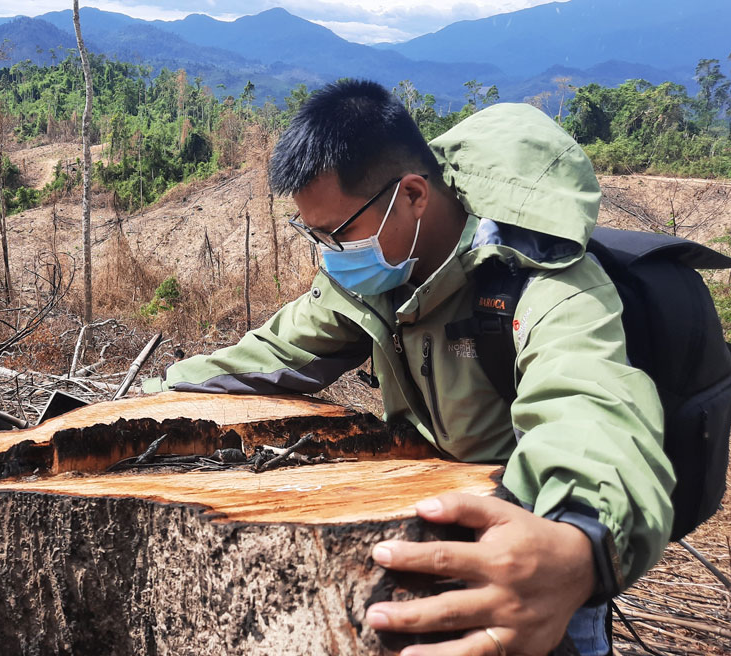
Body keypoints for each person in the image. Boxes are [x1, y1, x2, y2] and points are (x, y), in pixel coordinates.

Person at [142, 79, 675, 656]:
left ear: (414, 195)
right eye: (315, 235)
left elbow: (590, 407)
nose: (330, 254)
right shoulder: (380, 277)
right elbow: (266, 357)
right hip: (430, 529)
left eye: (339, 234)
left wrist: (580, 546)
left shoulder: (541, 282)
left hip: (526, 548)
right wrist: (134, 406)